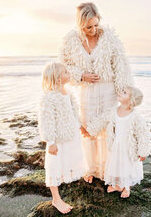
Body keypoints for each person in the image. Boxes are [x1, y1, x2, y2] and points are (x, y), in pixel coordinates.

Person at [59, 2, 134, 183]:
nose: (93, 29)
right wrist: (82, 75)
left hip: (108, 89)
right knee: (88, 129)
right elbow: (64, 66)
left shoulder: (109, 37)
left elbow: (120, 65)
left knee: (108, 129)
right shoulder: (70, 40)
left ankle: (108, 168)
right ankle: (90, 168)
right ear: (80, 24)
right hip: (87, 91)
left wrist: (124, 93)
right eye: (88, 27)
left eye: (96, 24)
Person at [85, 86, 151, 198]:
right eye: (122, 91)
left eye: (125, 92)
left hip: (128, 146)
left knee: (127, 166)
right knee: (116, 164)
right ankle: (118, 185)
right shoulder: (115, 110)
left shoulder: (135, 116)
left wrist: (143, 151)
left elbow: (143, 134)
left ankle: (127, 187)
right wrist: (91, 130)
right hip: (116, 144)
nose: (120, 92)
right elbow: (103, 119)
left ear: (131, 100)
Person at [37, 62, 87, 214]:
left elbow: (74, 112)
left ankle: (72, 175)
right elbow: (46, 120)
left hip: (71, 135)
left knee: (72, 158)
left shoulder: (68, 93)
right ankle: (56, 199)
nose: (69, 73)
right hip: (57, 138)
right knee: (54, 165)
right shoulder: (48, 97)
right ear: (58, 78)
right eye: (65, 72)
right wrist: (50, 141)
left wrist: (80, 126)